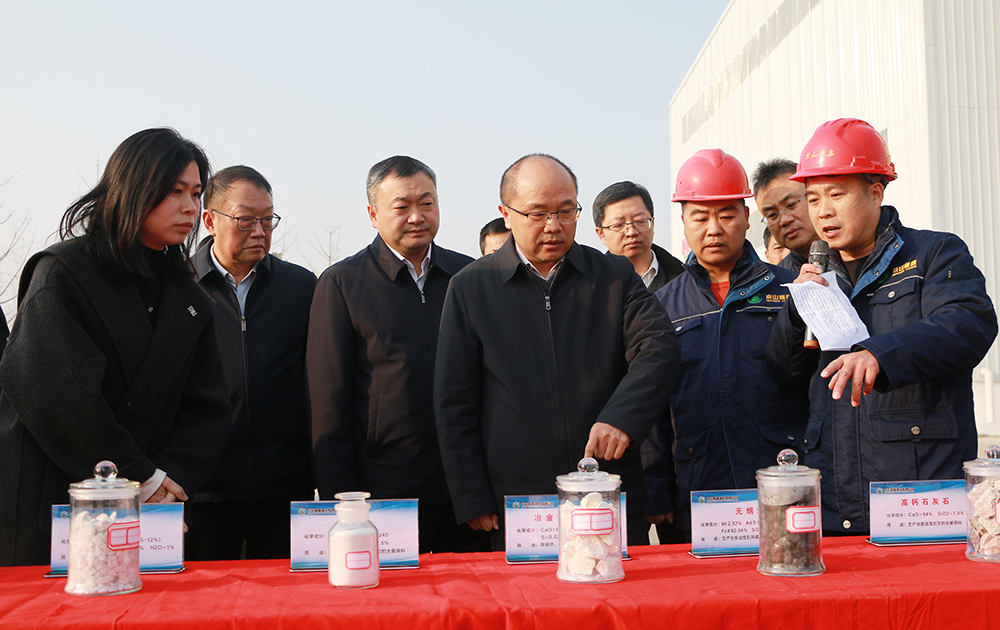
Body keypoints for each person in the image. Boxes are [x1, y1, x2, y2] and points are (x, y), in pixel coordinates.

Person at [0, 128, 232, 566]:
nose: (190, 206)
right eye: (175, 190)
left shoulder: (190, 298)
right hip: (55, 501)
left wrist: (165, 484)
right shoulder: (64, 273)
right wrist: (139, 476)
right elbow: (56, 395)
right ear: (134, 187)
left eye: (196, 192)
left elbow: (208, 407)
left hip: (152, 510)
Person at [434, 153, 681, 549]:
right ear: (506, 214)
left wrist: (622, 418)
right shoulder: (471, 287)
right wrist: (471, 495)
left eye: (566, 211)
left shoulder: (613, 276)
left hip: (605, 484)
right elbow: (454, 400)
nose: (554, 226)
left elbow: (659, 347)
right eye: (538, 214)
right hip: (518, 497)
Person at [767, 118, 998, 533]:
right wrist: (797, 312)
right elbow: (783, 375)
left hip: (919, 489)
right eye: (813, 198)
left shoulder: (934, 253)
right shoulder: (810, 274)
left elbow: (967, 324)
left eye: (836, 194)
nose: (823, 211)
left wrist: (879, 353)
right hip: (834, 495)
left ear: (876, 192)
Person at [308, 155, 487, 554]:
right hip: (384, 489)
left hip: (464, 488)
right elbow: (328, 404)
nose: (416, 217)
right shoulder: (342, 283)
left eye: (427, 203)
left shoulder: (470, 276)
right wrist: (344, 502)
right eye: (401, 206)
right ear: (373, 215)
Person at [644, 149, 808, 533]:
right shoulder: (661, 307)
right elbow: (652, 408)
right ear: (683, 222)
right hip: (698, 482)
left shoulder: (792, 290)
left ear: (747, 217)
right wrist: (655, 488)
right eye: (700, 217)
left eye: (727, 215)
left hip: (782, 474)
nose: (714, 229)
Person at [187, 166, 316, 560]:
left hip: (286, 489)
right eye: (245, 220)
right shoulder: (177, 286)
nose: (259, 231)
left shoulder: (301, 287)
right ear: (210, 220)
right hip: (201, 490)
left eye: (267, 220)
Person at [593, 181, 684, 293]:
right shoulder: (590, 288)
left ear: (652, 223)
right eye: (618, 225)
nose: (631, 232)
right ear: (601, 234)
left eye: (640, 221)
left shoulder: (685, 280)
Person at [752, 158, 818, 273]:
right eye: (772, 215)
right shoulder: (778, 279)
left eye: (791, 205)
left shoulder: (848, 254)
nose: (784, 220)